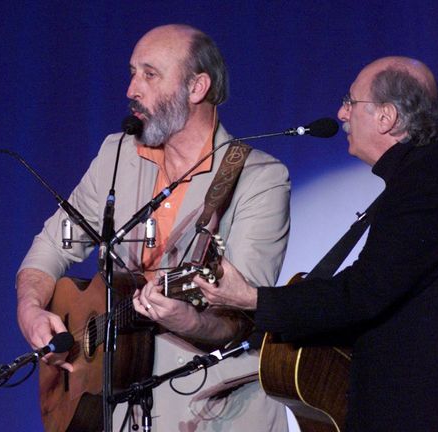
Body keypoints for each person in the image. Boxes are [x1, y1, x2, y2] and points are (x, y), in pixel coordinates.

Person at [194, 56, 438, 430]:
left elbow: (362, 295)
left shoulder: (427, 189)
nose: (341, 113)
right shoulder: (424, 180)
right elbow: (375, 292)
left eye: (351, 102)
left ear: (387, 117)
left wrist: (251, 298)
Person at [17, 25, 290, 431]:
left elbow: (240, 317)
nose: (131, 89)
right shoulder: (117, 155)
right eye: (132, 72)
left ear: (197, 87)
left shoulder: (259, 178)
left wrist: (189, 321)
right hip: (122, 410)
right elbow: (53, 244)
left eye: (149, 74)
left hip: (216, 412)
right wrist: (31, 310)